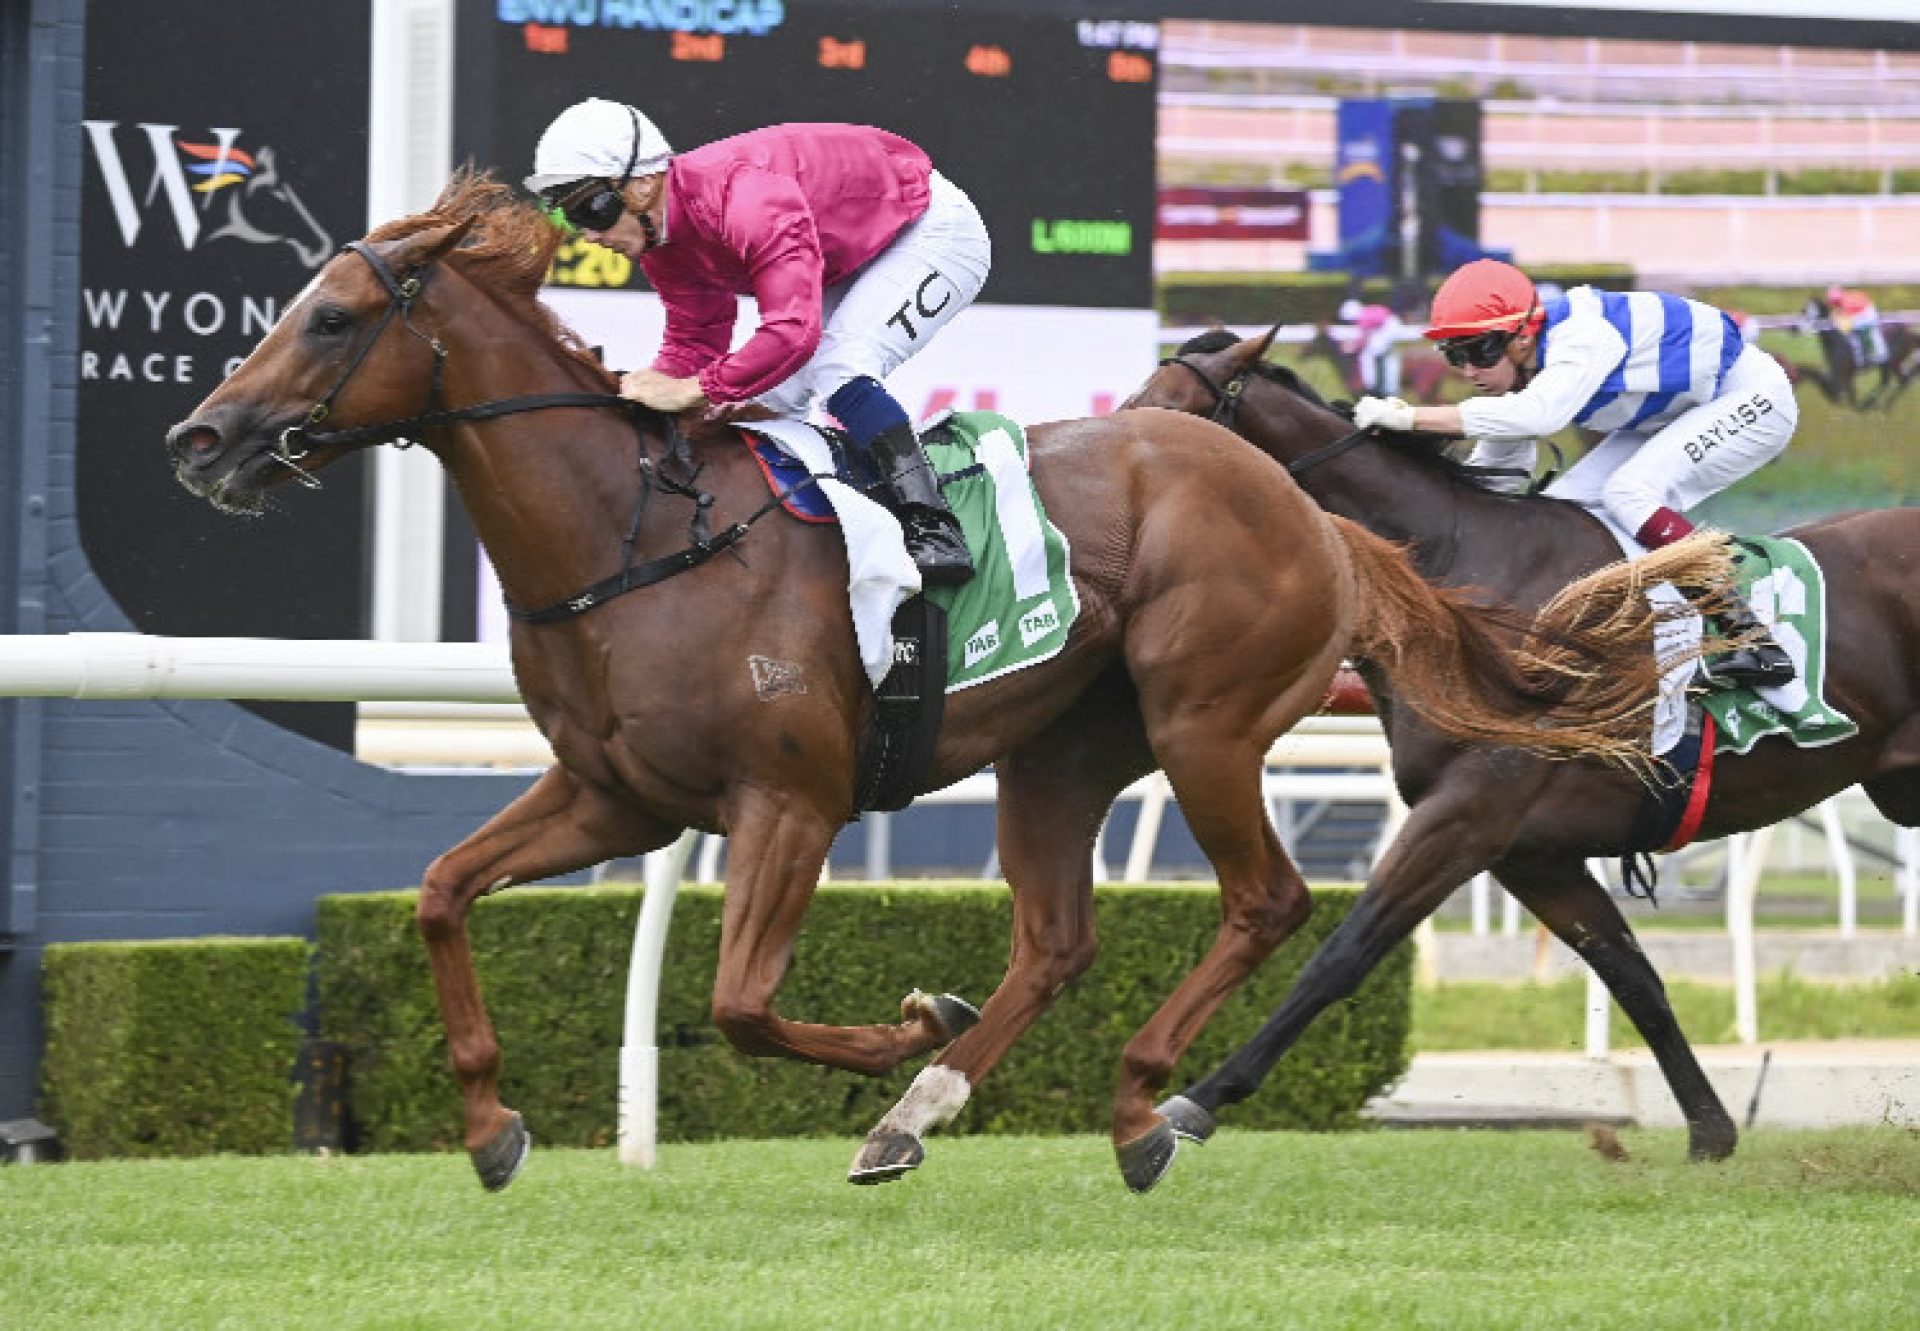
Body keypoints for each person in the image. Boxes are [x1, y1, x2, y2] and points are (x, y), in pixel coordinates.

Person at [525, 98, 992, 584]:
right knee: (768, 401)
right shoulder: (661, 244)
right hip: (846, 252)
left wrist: (691, 391)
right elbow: (695, 343)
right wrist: (640, 400)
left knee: (838, 364)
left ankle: (935, 528)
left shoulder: (747, 201)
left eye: (589, 209)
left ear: (643, 185)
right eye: (567, 216)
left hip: (928, 230)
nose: (585, 234)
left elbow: (793, 334)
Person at [1353, 258, 1797, 688]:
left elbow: (1537, 417)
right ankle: (1627, 635)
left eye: (1479, 351)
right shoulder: (1521, 371)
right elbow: (1496, 478)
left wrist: (1410, 419)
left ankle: (1750, 634)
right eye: (1456, 355)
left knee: (1629, 492)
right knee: (1563, 513)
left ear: (1523, 336)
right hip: (1678, 409)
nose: (1471, 370)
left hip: (1750, 398)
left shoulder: (1580, 337)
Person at [1337, 297, 1405, 398]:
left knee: (1368, 354)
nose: (1351, 322)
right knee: (1372, 350)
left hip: (1389, 327)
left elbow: (1363, 339)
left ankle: (1370, 384)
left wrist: (1350, 347)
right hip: (1391, 324)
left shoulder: (1363, 317)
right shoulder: (1367, 311)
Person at [1825, 284, 1887, 370]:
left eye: (1835, 301)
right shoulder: (1841, 300)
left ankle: (1870, 355)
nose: (1834, 304)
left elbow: (1845, 320)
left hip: (1866, 313)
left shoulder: (1846, 302)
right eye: (1833, 302)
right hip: (1859, 312)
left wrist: (1839, 320)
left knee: (1857, 332)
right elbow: (1837, 314)